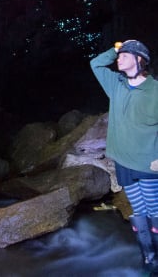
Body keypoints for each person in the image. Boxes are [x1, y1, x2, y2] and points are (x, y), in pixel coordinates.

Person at [90, 39, 158, 272]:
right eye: (120, 56)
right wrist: (117, 48)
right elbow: (96, 64)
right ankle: (148, 258)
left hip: (148, 162)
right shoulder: (116, 84)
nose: (120, 59)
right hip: (122, 162)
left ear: (140, 60)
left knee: (154, 211)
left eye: (126, 56)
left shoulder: (155, 90)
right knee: (138, 212)